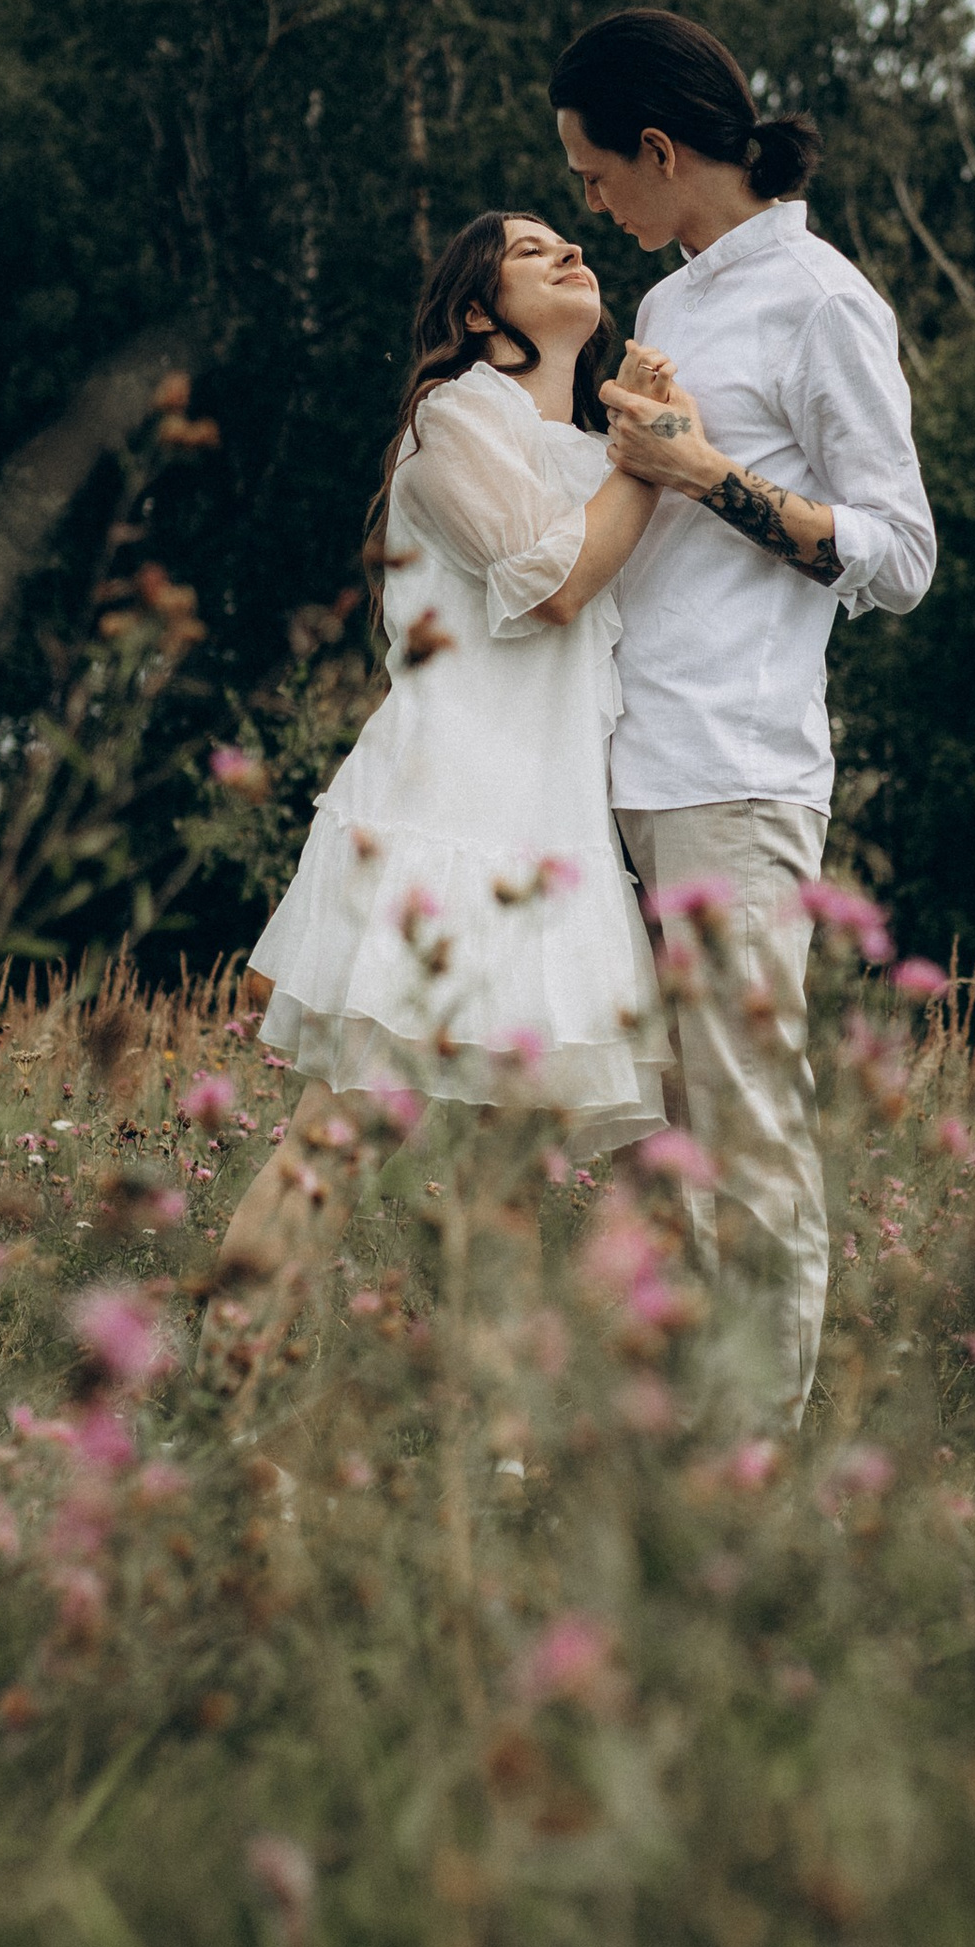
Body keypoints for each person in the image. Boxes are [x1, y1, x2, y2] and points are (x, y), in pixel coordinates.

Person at [550, 6, 936, 1422]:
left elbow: (902, 556)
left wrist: (710, 475)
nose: (592, 204)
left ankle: (755, 1471)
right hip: (614, 767)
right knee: (643, 1129)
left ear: (660, 151)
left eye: (597, 175)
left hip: (737, 769)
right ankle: (671, 1430)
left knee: (746, 1121)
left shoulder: (824, 299)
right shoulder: (665, 308)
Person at [221, 211, 669, 1280]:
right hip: (441, 822)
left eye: (570, 239)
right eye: (529, 250)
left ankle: (494, 1451)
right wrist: (656, 463)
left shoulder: (597, 455)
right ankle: (219, 1413)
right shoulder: (455, 419)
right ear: (477, 313)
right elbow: (553, 583)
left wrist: (645, 451)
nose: (567, 251)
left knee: (509, 1178)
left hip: (545, 841)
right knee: (335, 1140)